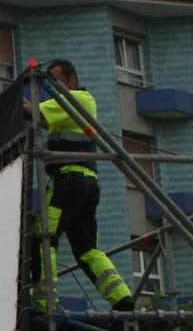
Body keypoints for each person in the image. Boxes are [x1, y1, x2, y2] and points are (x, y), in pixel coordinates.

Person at [24, 59, 134, 313]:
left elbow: (33, 112)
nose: (52, 86)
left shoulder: (77, 99)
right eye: (48, 82)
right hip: (85, 183)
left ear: (72, 80)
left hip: (68, 182)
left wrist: (7, 105)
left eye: (56, 80)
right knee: (86, 249)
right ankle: (122, 298)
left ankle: (44, 304)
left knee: (43, 239)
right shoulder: (68, 107)